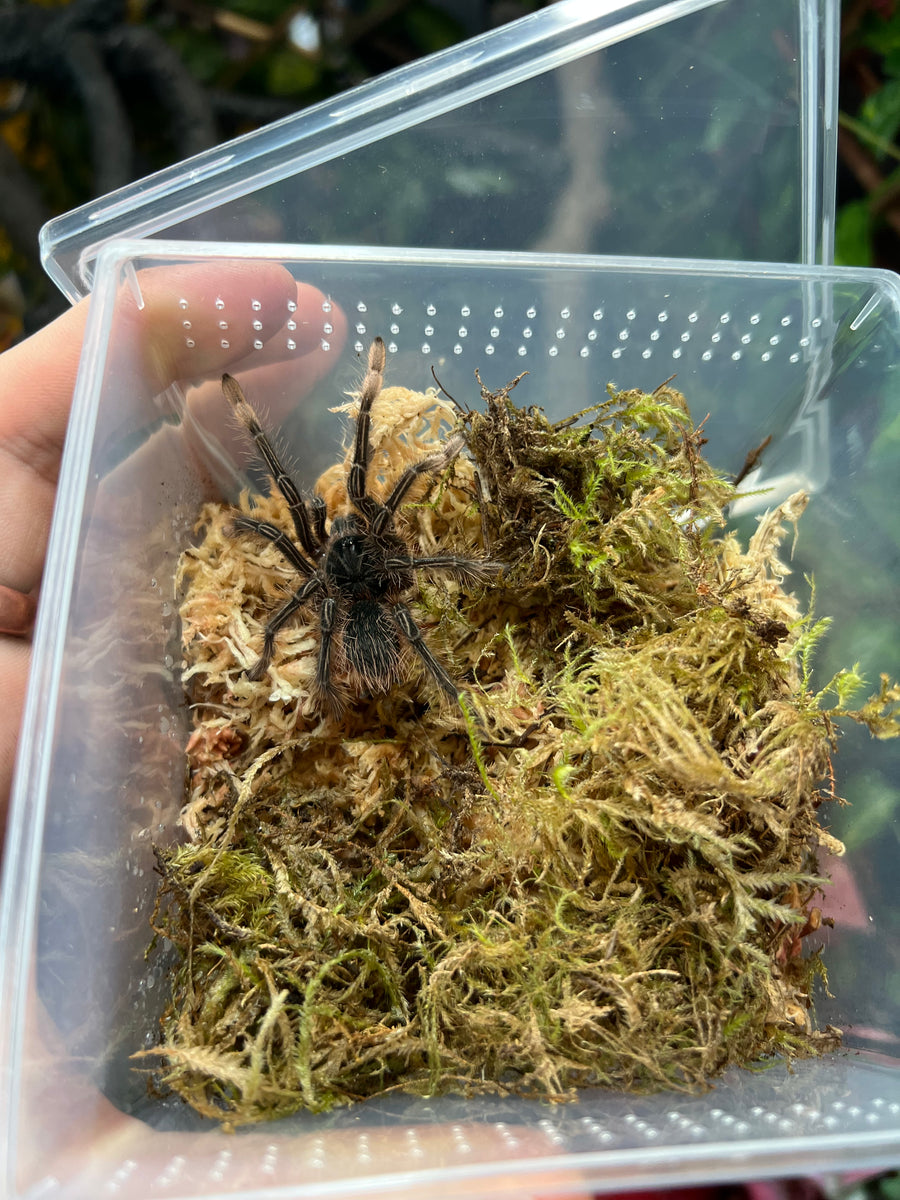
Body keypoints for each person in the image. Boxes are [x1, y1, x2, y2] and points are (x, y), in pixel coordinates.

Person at [0, 258, 347, 843]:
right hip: (364, 611)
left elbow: (281, 543)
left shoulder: (312, 563)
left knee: (288, 512)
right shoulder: (375, 569)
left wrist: (264, 631)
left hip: (347, 612)